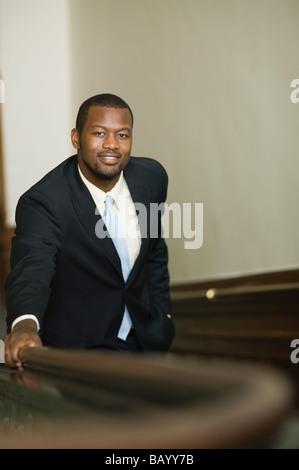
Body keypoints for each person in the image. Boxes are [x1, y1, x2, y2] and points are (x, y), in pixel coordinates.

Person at [4, 93, 175, 368]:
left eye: (122, 135)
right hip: (81, 354)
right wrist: (24, 325)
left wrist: (163, 316)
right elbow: (31, 269)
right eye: (99, 133)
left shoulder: (152, 178)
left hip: (146, 344)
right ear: (76, 138)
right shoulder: (44, 202)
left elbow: (154, 251)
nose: (111, 145)